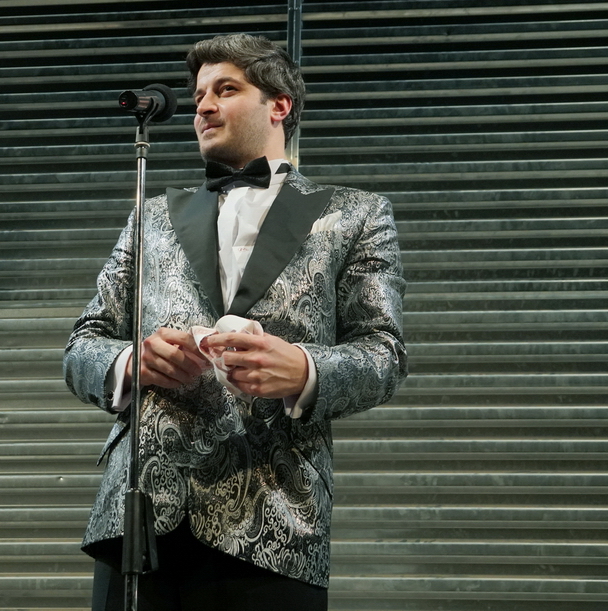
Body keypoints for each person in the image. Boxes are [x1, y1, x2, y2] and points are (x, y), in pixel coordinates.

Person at [64, 33, 407, 611]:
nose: (202, 106)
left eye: (225, 89)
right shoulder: (149, 216)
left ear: (280, 105)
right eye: (199, 94)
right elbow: (82, 344)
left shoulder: (357, 214)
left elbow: (385, 353)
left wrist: (305, 370)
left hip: (277, 519)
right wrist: (131, 361)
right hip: (140, 516)